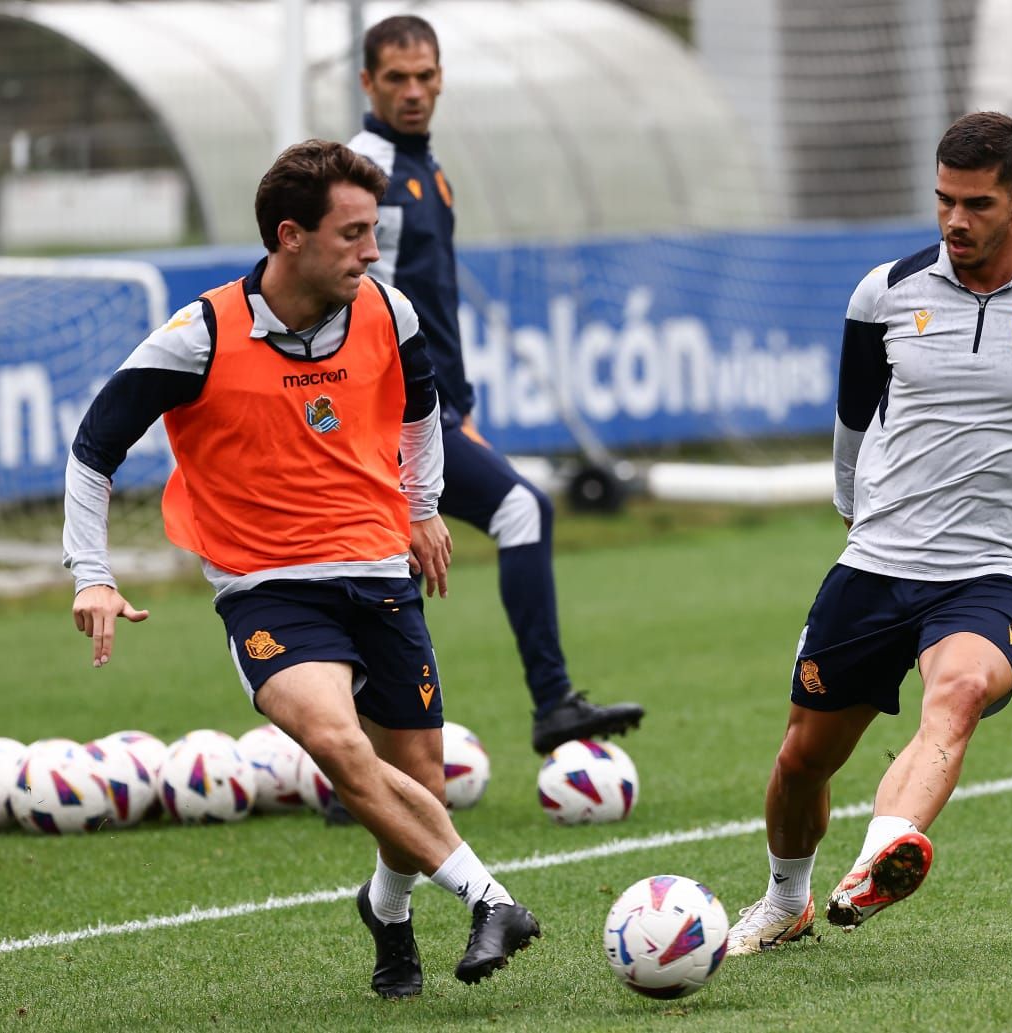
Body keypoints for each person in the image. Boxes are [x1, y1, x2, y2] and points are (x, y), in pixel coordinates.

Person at [63, 140, 540, 998]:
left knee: (416, 778)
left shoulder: (387, 312)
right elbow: (95, 447)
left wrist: (423, 505)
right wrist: (89, 571)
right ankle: (490, 899)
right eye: (354, 233)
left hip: (379, 571)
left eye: (373, 232)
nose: (371, 250)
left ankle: (388, 914)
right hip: (268, 586)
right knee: (334, 738)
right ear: (291, 236)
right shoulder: (199, 334)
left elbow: (422, 409)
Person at [724, 111, 1012, 954]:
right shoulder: (883, 292)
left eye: (978, 204)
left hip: (991, 575)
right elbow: (853, 419)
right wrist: (853, 508)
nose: (957, 221)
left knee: (955, 696)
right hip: (876, 564)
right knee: (800, 761)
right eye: (944, 201)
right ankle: (786, 899)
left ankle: (879, 859)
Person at [347, 14, 644, 756]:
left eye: (426, 76)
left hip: (432, 409)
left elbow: (431, 305)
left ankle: (380, 755)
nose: (414, 92)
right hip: (386, 414)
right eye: (397, 79)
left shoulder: (425, 166)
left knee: (425, 552)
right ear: (367, 83)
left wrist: (459, 409)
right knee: (507, 516)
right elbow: (364, 306)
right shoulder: (368, 172)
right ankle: (539, 707)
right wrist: (416, 427)